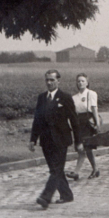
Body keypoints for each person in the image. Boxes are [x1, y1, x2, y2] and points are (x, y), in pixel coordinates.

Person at [29, 70, 82, 209]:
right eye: (47, 80)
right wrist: (33, 139)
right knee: (54, 169)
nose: (49, 83)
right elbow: (37, 120)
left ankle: (46, 197)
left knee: (56, 170)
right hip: (46, 140)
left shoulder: (65, 97)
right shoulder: (41, 98)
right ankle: (66, 194)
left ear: (58, 81)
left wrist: (79, 141)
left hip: (61, 139)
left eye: (52, 80)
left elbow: (74, 121)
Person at [67, 73, 100, 180]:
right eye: (78, 81)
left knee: (84, 148)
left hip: (88, 122)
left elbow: (94, 110)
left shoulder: (91, 94)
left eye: (82, 81)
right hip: (78, 124)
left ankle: (76, 172)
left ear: (87, 82)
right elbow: (72, 113)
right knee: (83, 148)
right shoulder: (74, 97)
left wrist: (97, 123)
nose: (80, 83)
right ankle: (95, 169)